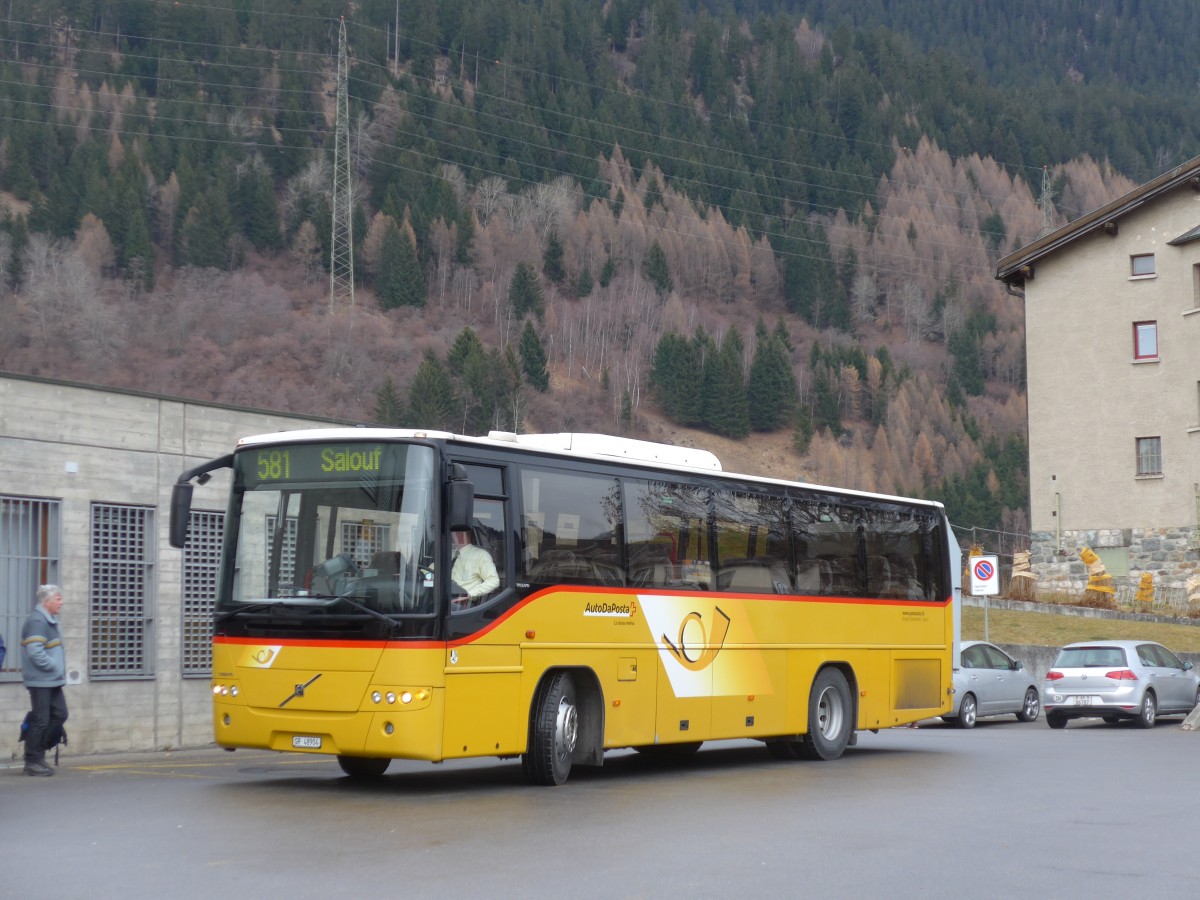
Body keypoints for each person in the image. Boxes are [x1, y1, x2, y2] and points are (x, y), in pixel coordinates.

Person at [20, 584, 69, 777]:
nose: (61, 602)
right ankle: (32, 760)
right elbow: (35, 652)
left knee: (60, 714)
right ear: (47, 601)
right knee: (41, 719)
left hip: (51, 680)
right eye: (58, 599)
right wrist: (55, 667)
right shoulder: (37, 621)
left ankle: (38, 751)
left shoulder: (49, 619)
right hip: (41, 680)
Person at [450, 529, 500, 605]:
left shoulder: (481, 555)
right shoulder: (450, 553)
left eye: (454, 533)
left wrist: (469, 594)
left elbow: (493, 581)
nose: (451, 536)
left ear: (463, 535)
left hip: (464, 604)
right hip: (444, 599)